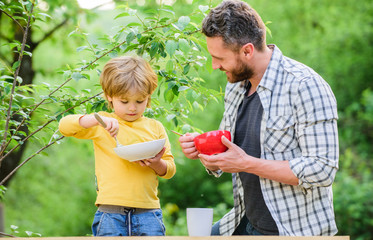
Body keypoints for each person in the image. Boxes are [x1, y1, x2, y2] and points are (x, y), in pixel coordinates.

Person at [178, 0, 338, 236]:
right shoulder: (236, 86)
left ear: (247, 51)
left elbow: (322, 169)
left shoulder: (305, 86)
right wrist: (205, 151)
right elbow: (227, 152)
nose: (214, 66)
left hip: (293, 231)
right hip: (244, 221)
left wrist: (246, 164)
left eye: (219, 58)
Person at [59, 56, 176, 236]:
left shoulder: (155, 127)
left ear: (148, 97)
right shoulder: (102, 124)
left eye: (139, 101)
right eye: (124, 101)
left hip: (148, 213)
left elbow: (169, 170)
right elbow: (64, 126)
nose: (132, 108)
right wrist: (96, 119)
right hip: (110, 213)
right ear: (109, 97)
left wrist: (155, 163)